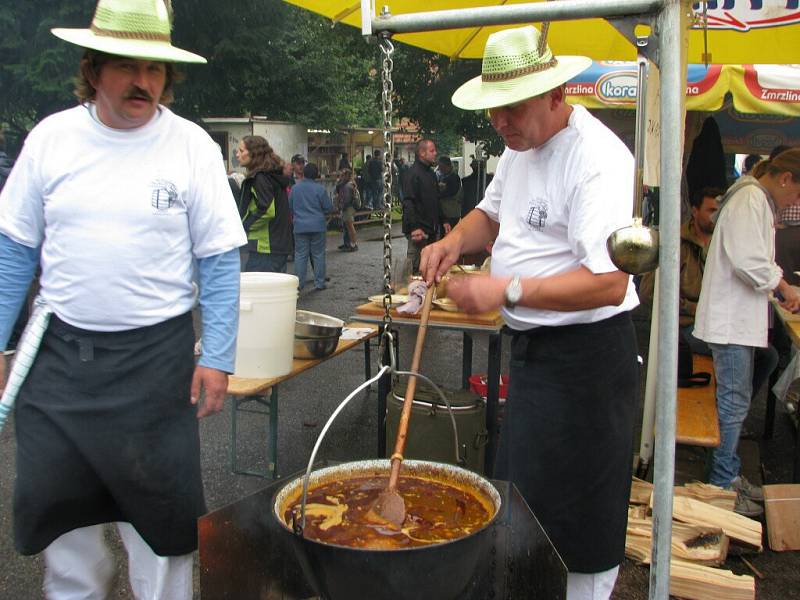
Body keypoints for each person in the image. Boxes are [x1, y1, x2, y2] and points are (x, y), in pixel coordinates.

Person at [0, 2, 247, 598]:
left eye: (156, 70)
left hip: (154, 364)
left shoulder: (189, 146)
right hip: (59, 363)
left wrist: (217, 357)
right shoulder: (51, 139)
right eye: (128, 67)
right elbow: (13, 253)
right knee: (65, 531)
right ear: (94, 68)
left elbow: (218, 261)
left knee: (163, 530)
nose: (144, 82)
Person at [420, 26, 639, 600]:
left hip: (589, 363)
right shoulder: (517, 150)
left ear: (556, 93)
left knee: (580, 522)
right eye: (494, 110)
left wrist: (505, 290)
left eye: (511, 109)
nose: (500, 123)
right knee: (524, 504)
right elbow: (488, 218)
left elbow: (609, 283)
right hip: (536, 359)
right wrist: (453, 242)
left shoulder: (598, 160)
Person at [694, 149, 800, 517]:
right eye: (797, 195)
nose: (794, 203)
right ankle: (721, 482)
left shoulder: (752, 197)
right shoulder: (751, 198)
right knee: (734, 403)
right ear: (786, 179)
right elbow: (748, 261)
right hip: (730, 322)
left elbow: (755, 258)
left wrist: (776, 284)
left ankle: (727, 473)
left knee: (734, 400)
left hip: (733, 319)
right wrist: (783, 287)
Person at [236, 136, 293, 273]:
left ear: (254, 153)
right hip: (277, 246)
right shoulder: (272, 176)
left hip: (265, 248)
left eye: (241, 150)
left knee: (258, 292)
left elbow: (266, 210)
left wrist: (243, 226)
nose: (237, 154)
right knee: (274, 292)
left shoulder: (260, 178)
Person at [289, 162, 333, 290]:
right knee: (318, 255)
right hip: (318, 226)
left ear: (303, 173)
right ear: (317, 175)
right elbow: (328, 207)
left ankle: (299, 284)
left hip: (300, 226)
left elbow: (290, 206)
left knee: (300, 255)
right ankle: (319, 282)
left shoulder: (295, 188)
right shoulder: (320, 189)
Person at [402, 138, 442, 273]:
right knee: (416, 269)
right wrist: (414, 227)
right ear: (422, 153)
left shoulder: (431, 174)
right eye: (432, 151)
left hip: (431, 229)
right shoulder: (412, 174)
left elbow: (435, 200)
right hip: (419, 231)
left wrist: (444, 220)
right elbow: (408, 202)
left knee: (430, 267)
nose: (435, 153)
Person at [334, 168, 359, 252]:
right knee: (347, 227)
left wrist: (341, 207)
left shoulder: (347, 186)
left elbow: (346, 199)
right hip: (348, 208)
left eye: (342, 175)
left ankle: (353, 244)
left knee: (350, 227)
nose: (340, 176)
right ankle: (348, 243)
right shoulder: (348, 184)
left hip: (348, 208)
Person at [436, 155, 462, 233]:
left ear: (446, 166)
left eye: (441, 166)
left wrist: (438, 192)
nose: (439, 169)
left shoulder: (453, 178)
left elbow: (449, 193)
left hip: (451, 213)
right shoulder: (444, 177)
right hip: (447, 213)